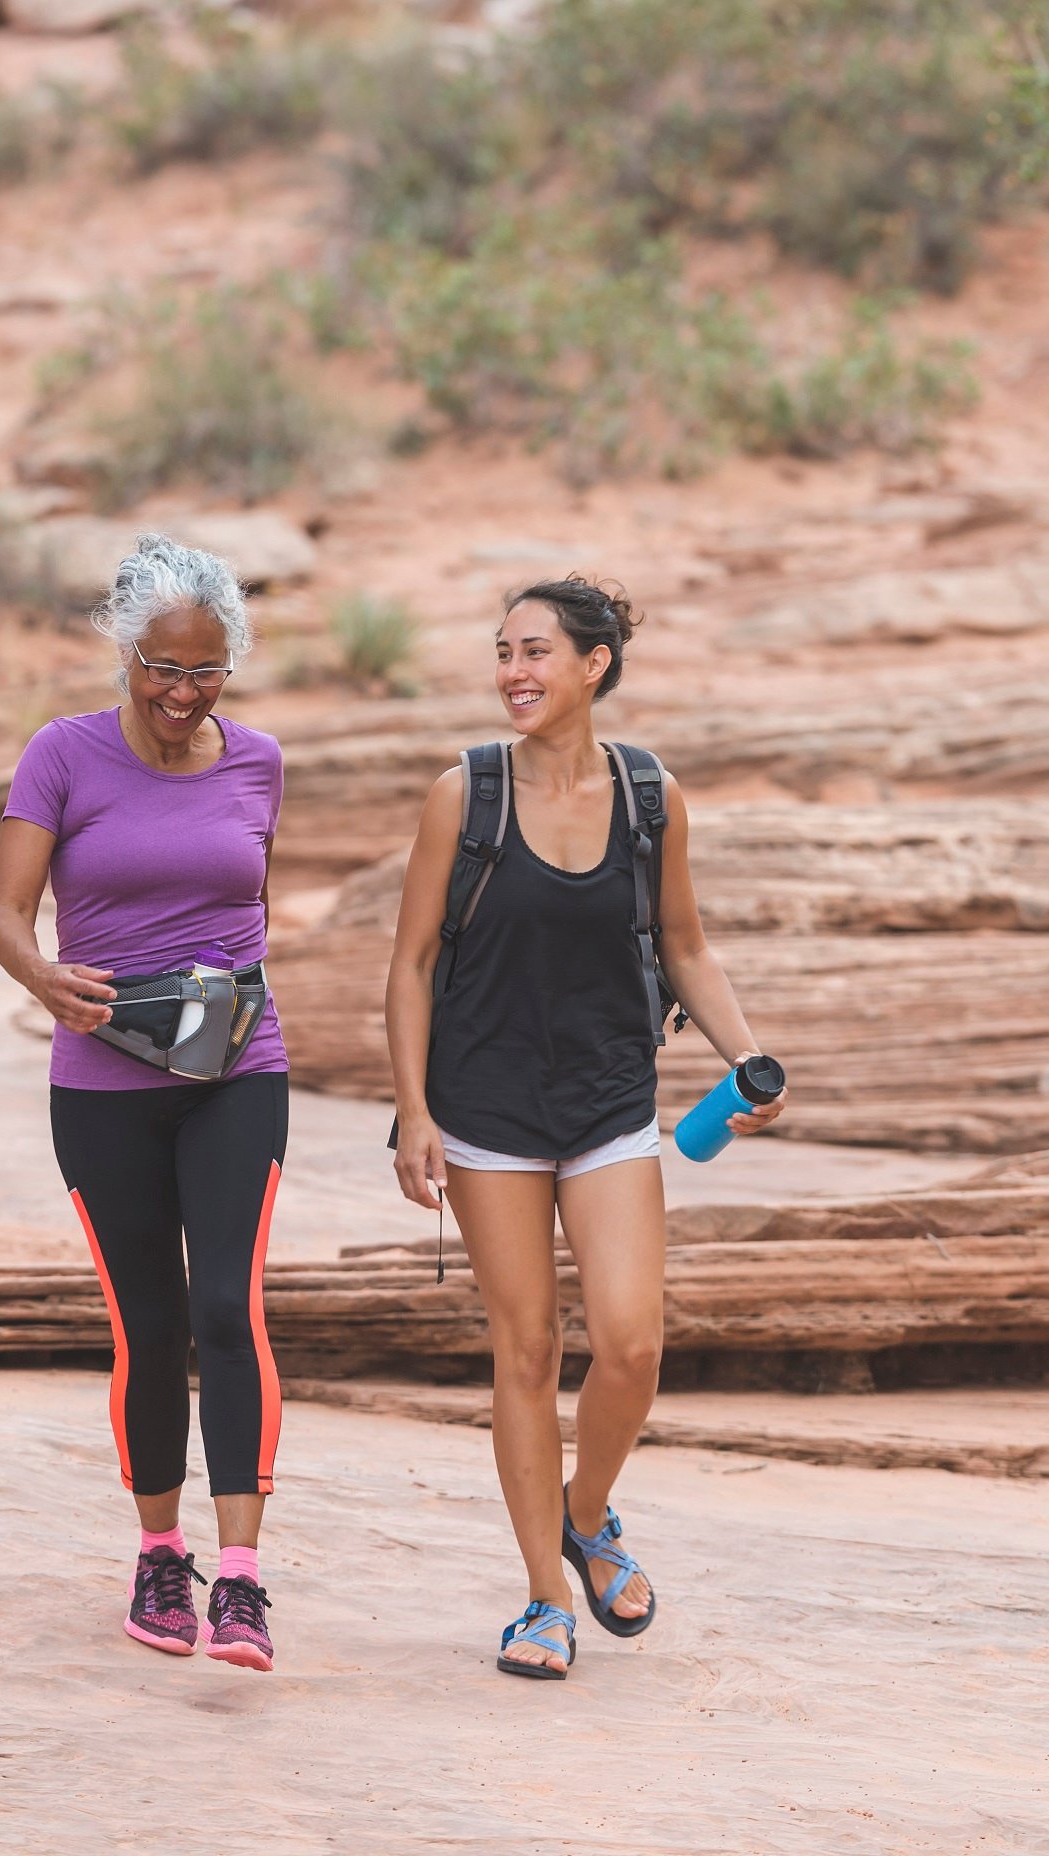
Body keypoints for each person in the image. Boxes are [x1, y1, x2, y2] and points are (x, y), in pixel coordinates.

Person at [382, 576, 785, 1680]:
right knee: (524, 1349)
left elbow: (687, 945)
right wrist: (414, 1108)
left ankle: (588, 1507)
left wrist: (743, 1052)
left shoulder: (651, 796)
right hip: (486, 1112)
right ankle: (543, 1598)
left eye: (537, 652)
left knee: (633, 1340)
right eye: (503, 651)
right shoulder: (461, 795)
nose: (514, 671)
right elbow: (413, 962)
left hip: (610, 1100)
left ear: (595, 664)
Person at [0, 533, 287, 1673]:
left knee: (227, 1303)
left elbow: (250, 904)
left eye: (204, 670)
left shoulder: (258, 761)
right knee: (148, 1320)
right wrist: (41, 975)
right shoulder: (60, 755)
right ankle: (162, 1553)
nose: (179, 691)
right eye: (161, 665)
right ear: (125, 649)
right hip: (103, 1075)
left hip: (236, 1071)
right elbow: (9, 910)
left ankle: (245, 1578)